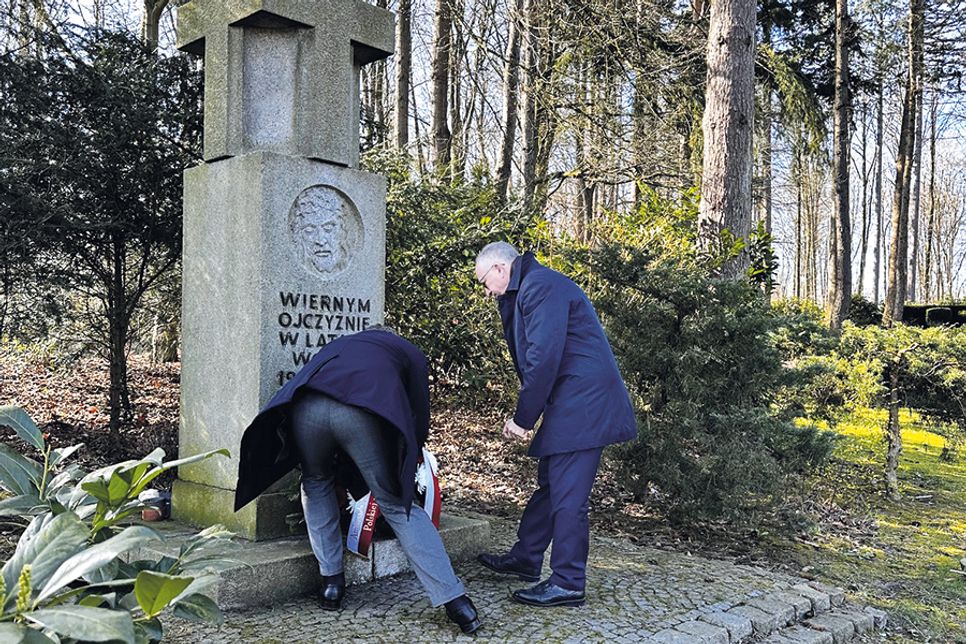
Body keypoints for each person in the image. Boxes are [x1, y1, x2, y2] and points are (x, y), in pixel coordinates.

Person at [234, 326, 481, 634]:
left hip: (306, 408)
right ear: (392, 335)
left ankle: (331, 586)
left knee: (315, 481)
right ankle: (457, 603)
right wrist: (406, 461)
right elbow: (417, 415)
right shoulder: (409, 352)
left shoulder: (343, 344)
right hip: (357, 414)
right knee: (394, 503)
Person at [474, 242, 636, 608]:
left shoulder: (540, 287)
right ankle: (527, 558)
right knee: (551, 486)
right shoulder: (532, 286)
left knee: (568, 497)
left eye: (485, 282)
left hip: (584, 405)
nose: (487, 291)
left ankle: (568, 581)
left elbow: (543, 358)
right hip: (573, 400)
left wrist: (522, 419)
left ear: (500, 268)